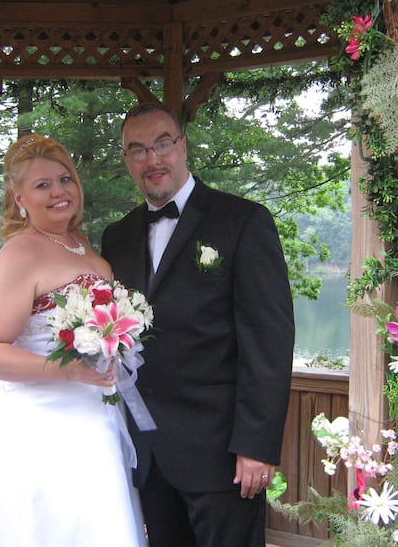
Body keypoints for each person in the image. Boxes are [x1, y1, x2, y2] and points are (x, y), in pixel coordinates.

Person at [101, 103, 295, 547]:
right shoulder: (117, 236)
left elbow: (269, 340)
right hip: (148, 453)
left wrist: (257, 445)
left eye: (162, 144)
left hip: (223, 455)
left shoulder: (243, 221)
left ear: (183, 146)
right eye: (138, 150)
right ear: (127, 160)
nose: (153, 159)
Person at [0, 134, 146, 547]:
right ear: (19, 199)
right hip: (40, 429)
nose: (59, 192)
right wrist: (67, 371)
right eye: (42, 185)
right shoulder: (19, 254)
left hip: (96, 418)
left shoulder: (83, 246)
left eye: (65, 179)